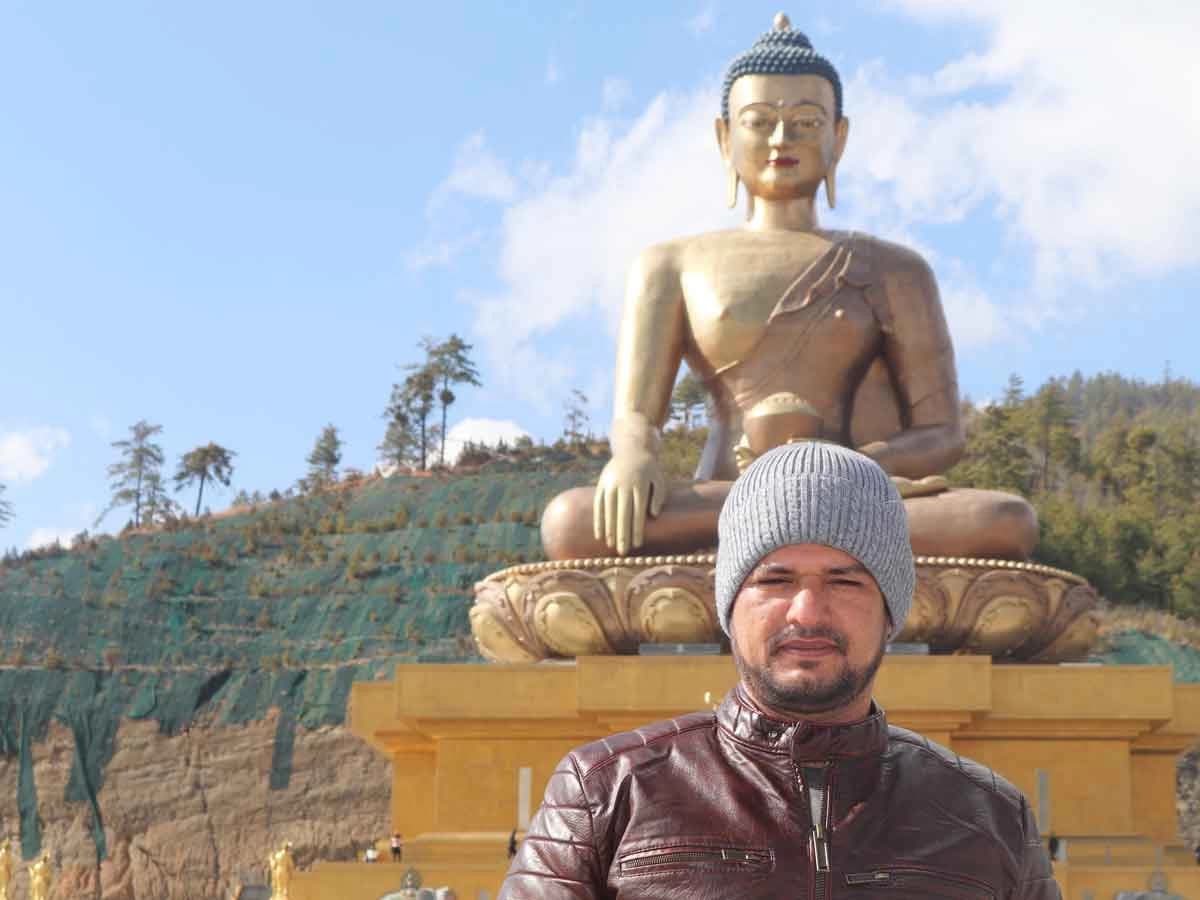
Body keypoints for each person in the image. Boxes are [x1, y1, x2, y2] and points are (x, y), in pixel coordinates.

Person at [539, 14, 1037, 565]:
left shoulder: (896, 269)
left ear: (838, 138)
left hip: (853, 493)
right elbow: (636, 415)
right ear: (724, 136)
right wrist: (632, 457)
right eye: (759, 122)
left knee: (1003, 521)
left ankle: (787, 530)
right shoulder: (670, 264)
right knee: (572, 522)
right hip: (729, 497)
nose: (782, 139)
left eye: (805, 121)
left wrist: (847, 470)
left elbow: (943, 433)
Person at [502, 441, 1059, 898]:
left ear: (893, 609)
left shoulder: (988, 815)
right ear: (726, 605)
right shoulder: (607, 790)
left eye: (845, 582)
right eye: (776, 580)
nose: (808, 612)